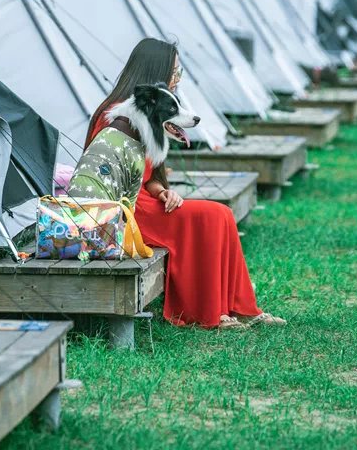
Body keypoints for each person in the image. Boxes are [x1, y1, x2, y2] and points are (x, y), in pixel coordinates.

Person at [84, 38, 284, 330]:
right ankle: (207, 314)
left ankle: (242, 308)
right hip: (123, 213)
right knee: (213, 217)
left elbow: (148, 175)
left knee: (221, 214)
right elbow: (108, 182)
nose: (176, 80)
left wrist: (163, 191)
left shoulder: (149, 113)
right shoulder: (115, 118)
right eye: (174, 73)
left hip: (145, 203)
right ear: (156, 71)